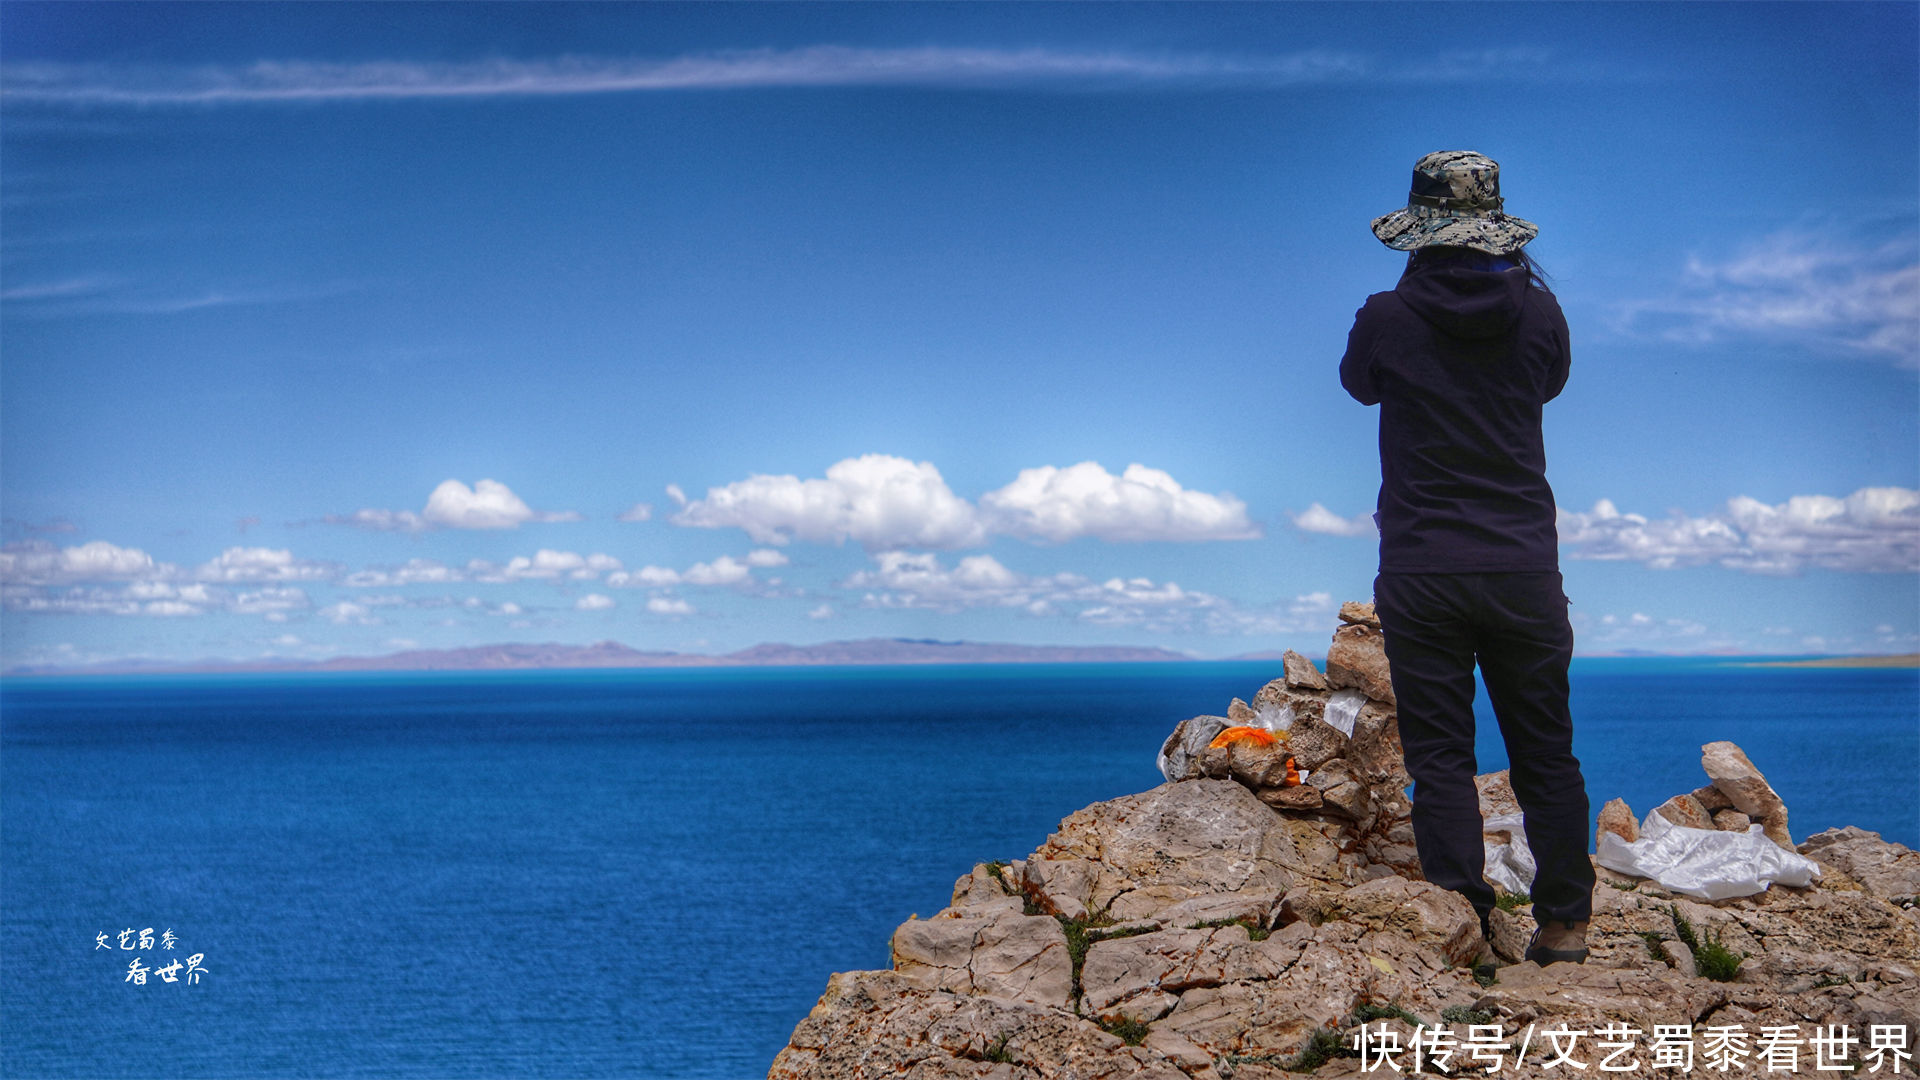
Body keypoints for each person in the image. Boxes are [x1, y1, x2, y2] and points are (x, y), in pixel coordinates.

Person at [1339, 150, 1595, 967]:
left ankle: (1468, 927)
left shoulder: (1386, 314)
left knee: (1441, 756)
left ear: (1418, 230)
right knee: (1545, 752)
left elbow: (1358, 386)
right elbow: (1548, 386)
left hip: (1422, 567)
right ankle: (1565, 923)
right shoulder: (1542, 313)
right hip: (1523, 566)